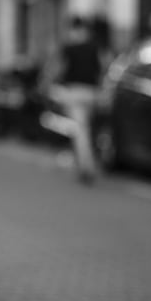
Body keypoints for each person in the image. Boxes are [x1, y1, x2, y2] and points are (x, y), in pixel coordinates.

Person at [45, 15, 103, 185]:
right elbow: (102, 68)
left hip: (74, 92)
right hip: (92, 93)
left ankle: (86, 167)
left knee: (80, 131)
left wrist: (49, 83)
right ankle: (84, 163)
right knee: (86, 129)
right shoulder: (95, 47)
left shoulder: (69, 48)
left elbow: (57, 69)